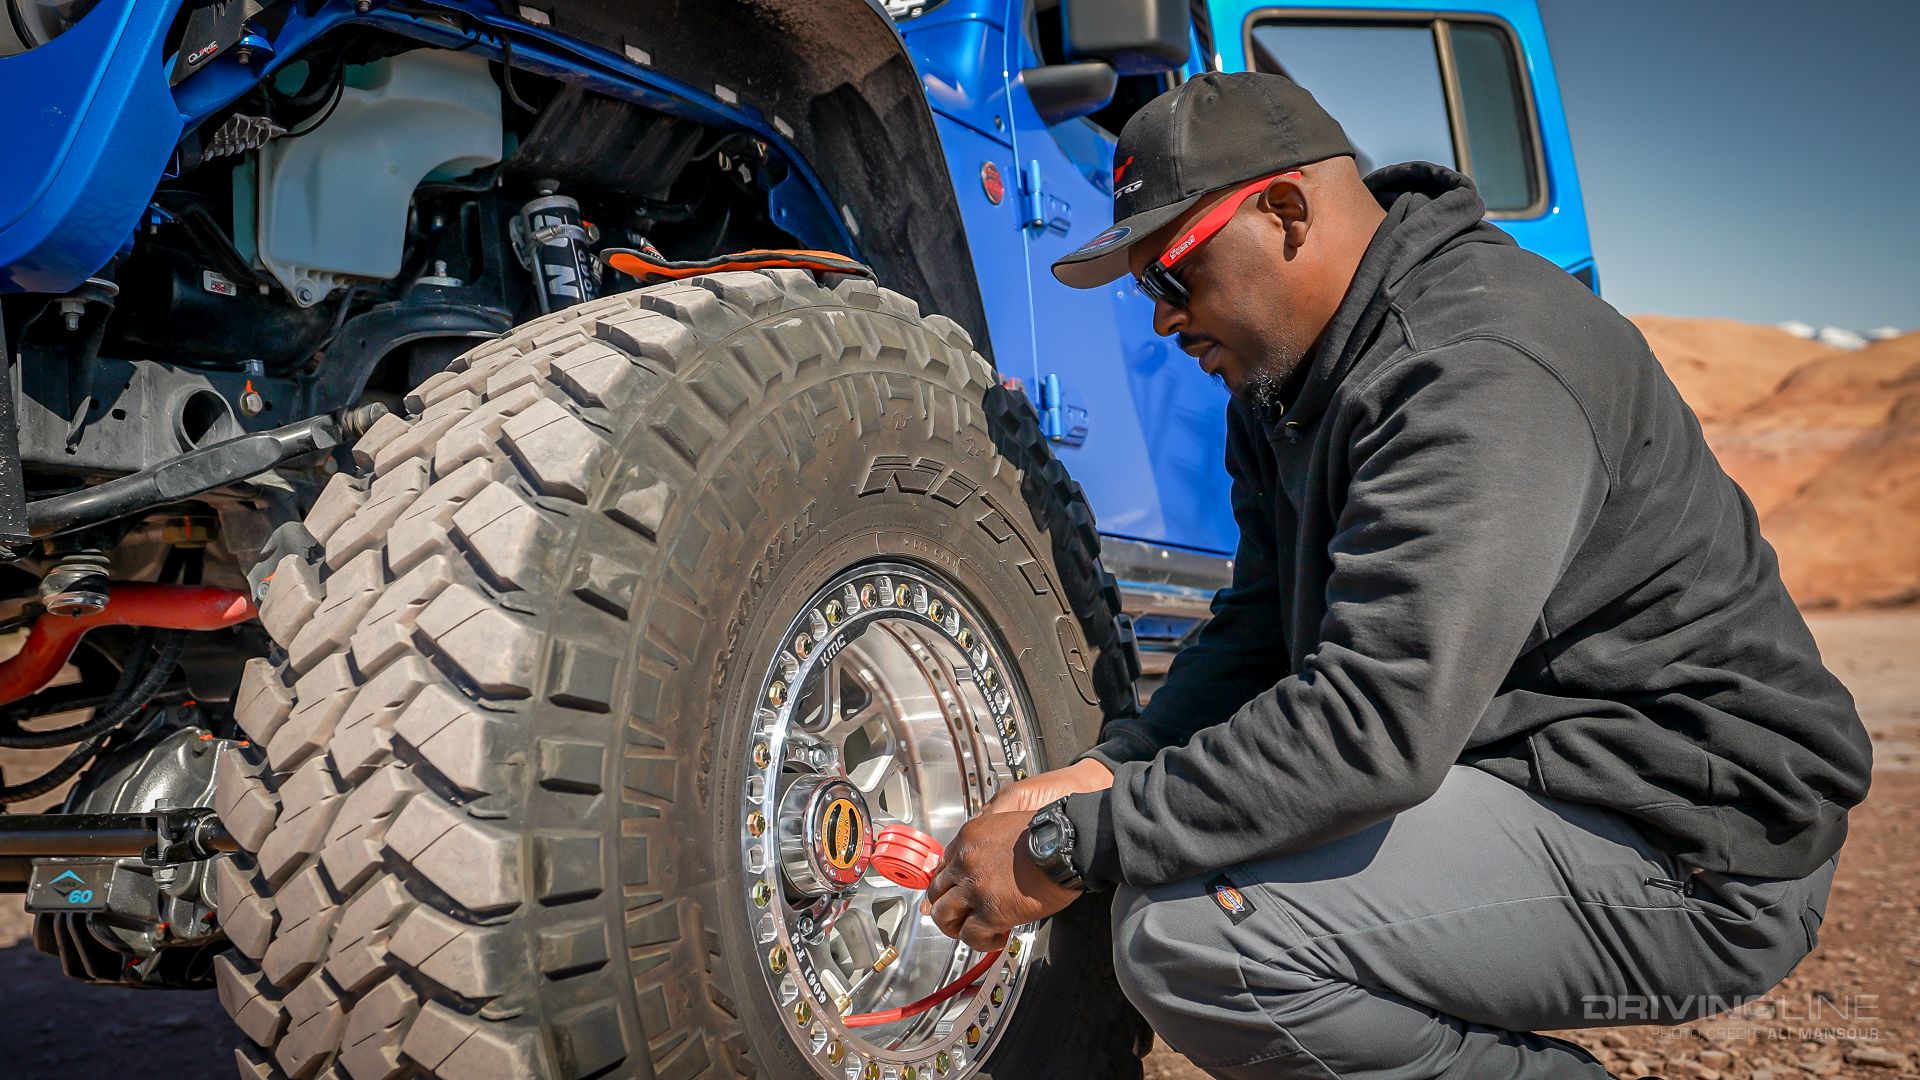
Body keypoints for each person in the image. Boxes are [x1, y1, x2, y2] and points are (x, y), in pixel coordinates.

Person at [921, 71, 1872, 1079]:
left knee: (1198, 939)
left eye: (1171, 275)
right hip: (1543, 772)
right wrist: (1113, 770)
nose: (1163, 320)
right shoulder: (1291, 380)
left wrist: (1072, 843)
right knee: (1174, 876)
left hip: (1700, 845)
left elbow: (1375, 724)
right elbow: (1257, 630)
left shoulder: (1476, 365)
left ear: (1286, 212)